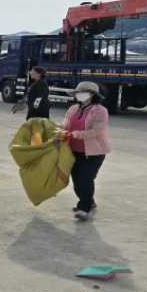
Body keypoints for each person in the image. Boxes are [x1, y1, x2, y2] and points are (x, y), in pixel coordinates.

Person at [58, 82, 111, 221]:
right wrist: (59, 130)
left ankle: (84, 208)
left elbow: (96, 131)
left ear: (92, 95)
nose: (78, 95)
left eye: (82, 93)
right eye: (77, 93)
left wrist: (74, 134)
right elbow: (65, 124)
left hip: (94, 152)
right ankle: (89, 202)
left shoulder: (100, 111)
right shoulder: (73, 108)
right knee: (77, 182)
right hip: (73, 150)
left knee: (85, 179)